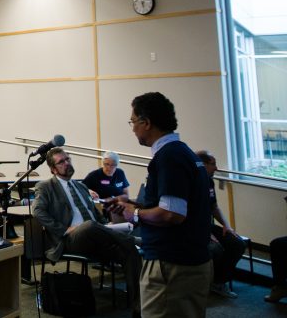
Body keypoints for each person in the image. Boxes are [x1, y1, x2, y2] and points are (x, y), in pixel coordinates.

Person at [112, 92, 211, 318]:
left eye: (133, 122)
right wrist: (134, 203)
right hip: (184, 262)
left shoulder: (169, 157)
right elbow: (172, 203)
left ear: (146, 123)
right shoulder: (182, 153)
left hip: (171, 265)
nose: (132, 128)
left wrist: (135, 213)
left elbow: (172, 214)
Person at [32, 148, 141, 315]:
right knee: (90, 226)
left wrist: (106, 224)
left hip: (96, 235)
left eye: (68, 159)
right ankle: (132, 239)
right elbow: (38, 211)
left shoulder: (81, 186)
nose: (67, 163)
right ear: (53, 169)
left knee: (129, 251)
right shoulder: (46, 186)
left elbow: (94, 213)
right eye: (61, 162)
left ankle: (138, 305)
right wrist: (64, 229)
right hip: (71, 240)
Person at [196, 150, 247, 299]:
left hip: (206, 226)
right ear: (202, 164)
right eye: (213, 164)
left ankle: (218, 282)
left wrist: (227, 226)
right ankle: (204, 284)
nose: (216, 168)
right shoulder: (190, 182)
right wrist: (207, 234)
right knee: (215, 249)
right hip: (193, 228)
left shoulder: (209, 181)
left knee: (237, 243)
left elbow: (214, 207)